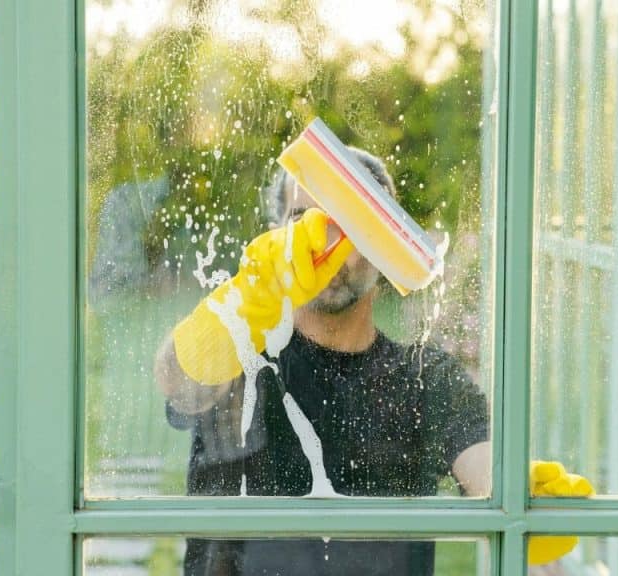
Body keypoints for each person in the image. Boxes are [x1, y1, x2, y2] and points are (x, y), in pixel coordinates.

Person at [155, 148, 592, 575]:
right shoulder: (241, 355)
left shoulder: (426, 379)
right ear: (276, 234)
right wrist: (250, 296)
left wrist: (522, 491)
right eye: (302, 220)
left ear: (384, 247)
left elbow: (482, 469)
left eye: (349, 223)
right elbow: (177, 381)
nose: (323, 242)